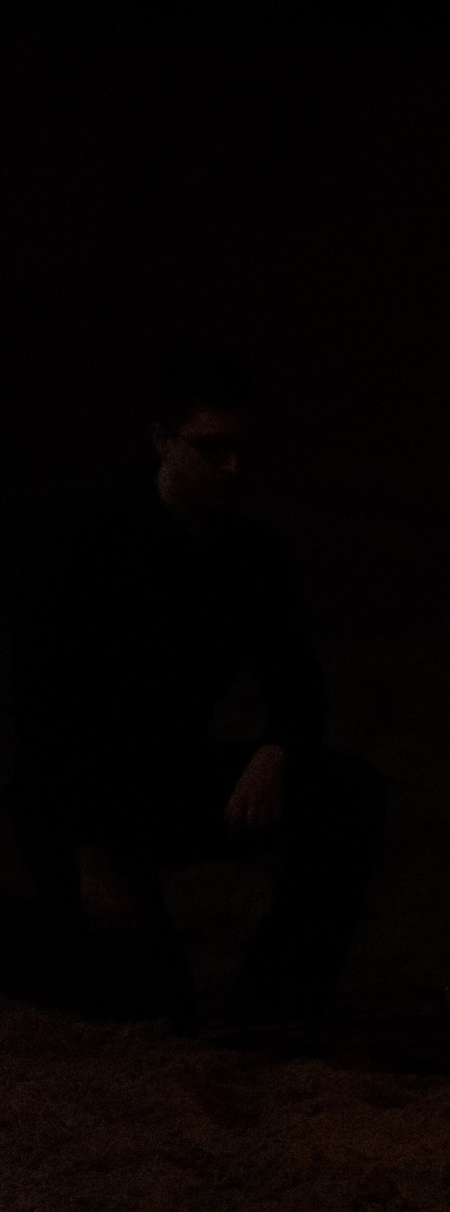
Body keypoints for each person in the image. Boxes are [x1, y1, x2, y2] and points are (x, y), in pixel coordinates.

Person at [4, 353, 385, 1031]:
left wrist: (275, 750)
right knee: (143, 1003)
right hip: (73, 802)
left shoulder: (247, 554)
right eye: (212, 448)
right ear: (163, 440)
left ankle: (274, 1015)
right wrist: (90, 856)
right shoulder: (87, 540)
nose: (233, 467)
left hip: (164, 780)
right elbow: (44, 710)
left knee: (347, 793)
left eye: (243, 449)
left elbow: (296, 678)